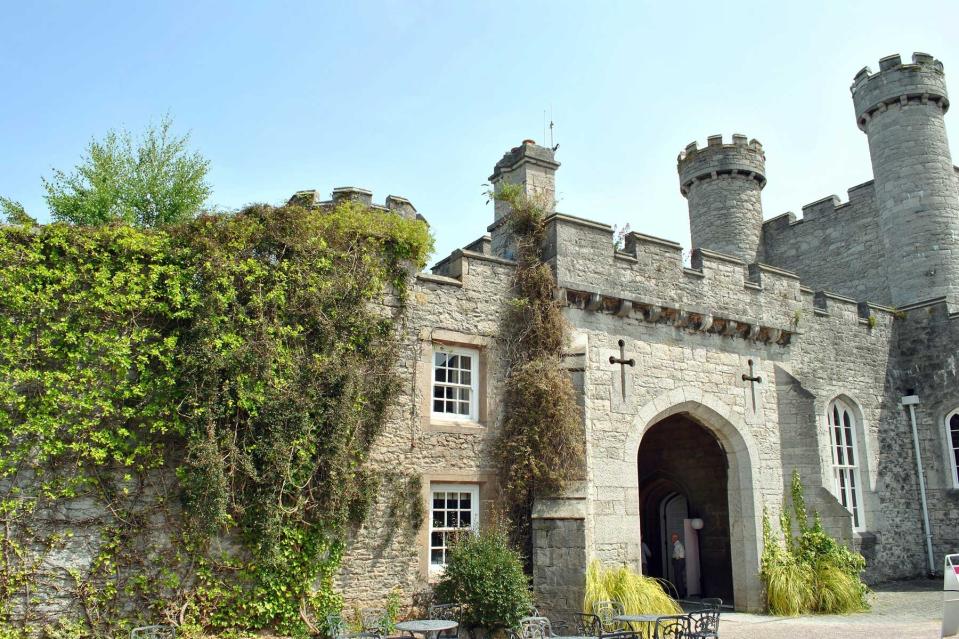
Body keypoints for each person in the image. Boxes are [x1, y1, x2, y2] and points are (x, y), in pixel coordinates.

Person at [671, 532, 686, 598]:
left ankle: (680, 594)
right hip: (680, 561)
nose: (671, 539)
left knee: (678, 578)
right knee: (679, 577)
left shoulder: (677, 545)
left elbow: (678, 555)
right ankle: (680, 592)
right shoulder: (678, 544)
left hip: (678, 561)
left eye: (672, 538)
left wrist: (675, 560)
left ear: (675, 538)